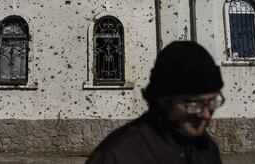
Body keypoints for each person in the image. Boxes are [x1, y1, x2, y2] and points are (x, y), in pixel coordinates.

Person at [87, 41, 225, 164]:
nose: (206, 114)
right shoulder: (116, 155)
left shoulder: (206, 148)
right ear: (163, 99)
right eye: (194, 104)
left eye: (212, 102)